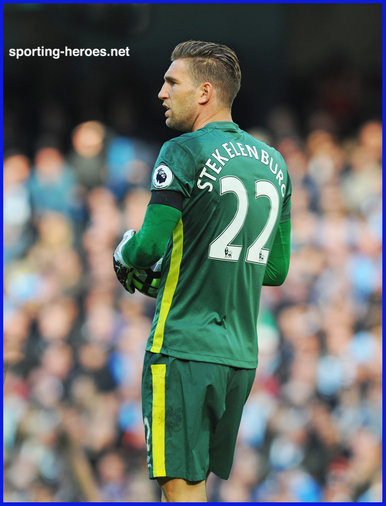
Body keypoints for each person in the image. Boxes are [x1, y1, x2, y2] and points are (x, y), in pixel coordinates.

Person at [113, 40, 292, 502]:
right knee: (199, 489)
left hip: (183, 347)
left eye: (172, 82)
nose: (161, 92)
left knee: (181, 493)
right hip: (240, 355)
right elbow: (274, 269)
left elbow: (149, 245)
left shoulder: (182, 151)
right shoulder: (275, 163)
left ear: (205, 92)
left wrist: (125, 252)